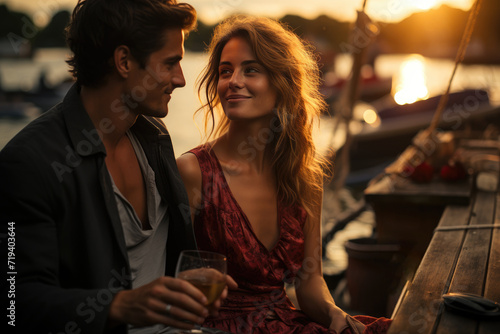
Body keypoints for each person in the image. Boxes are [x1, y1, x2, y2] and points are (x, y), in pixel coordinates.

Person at [0, 1, 236, 333]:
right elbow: (13, 302)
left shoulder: (154, 136)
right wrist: (119, 305)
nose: (181, 80)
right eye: (170, 63)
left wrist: (185, 280)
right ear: (124, 61)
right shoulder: (28, 162)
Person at [177, 16, 392, 333]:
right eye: (226, 71)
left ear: (282, 84)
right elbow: (168, 274)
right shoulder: (193, 171)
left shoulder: (304, 179)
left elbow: (310, 281)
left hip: (285, 322)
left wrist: (333, 313)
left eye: (251, 70)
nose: (234, 80)